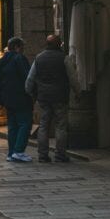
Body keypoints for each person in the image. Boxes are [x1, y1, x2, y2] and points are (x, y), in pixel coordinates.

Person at [25, 34, 79, 163]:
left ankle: (43, 155)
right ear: (59, 44)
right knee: (60, 126)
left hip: (43, 97)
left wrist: (29, 93)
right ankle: (60, 155)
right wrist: (78, 92)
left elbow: (30, 79)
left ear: (46, 44)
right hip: (60, 96)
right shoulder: (64, 58)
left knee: (44, 125)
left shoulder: (39, 58)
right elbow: (73, 78)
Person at [0, 36, 33, 162]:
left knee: (13, 126)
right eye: (22, 47)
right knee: (25, 124)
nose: (23, 50)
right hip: (20, 97)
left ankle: (11, 153)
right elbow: (27, 78)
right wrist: (32, 94)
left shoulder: (2, 60)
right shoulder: (19, 58)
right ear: (17, 47)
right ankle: (19, 151)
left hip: (7, 99)